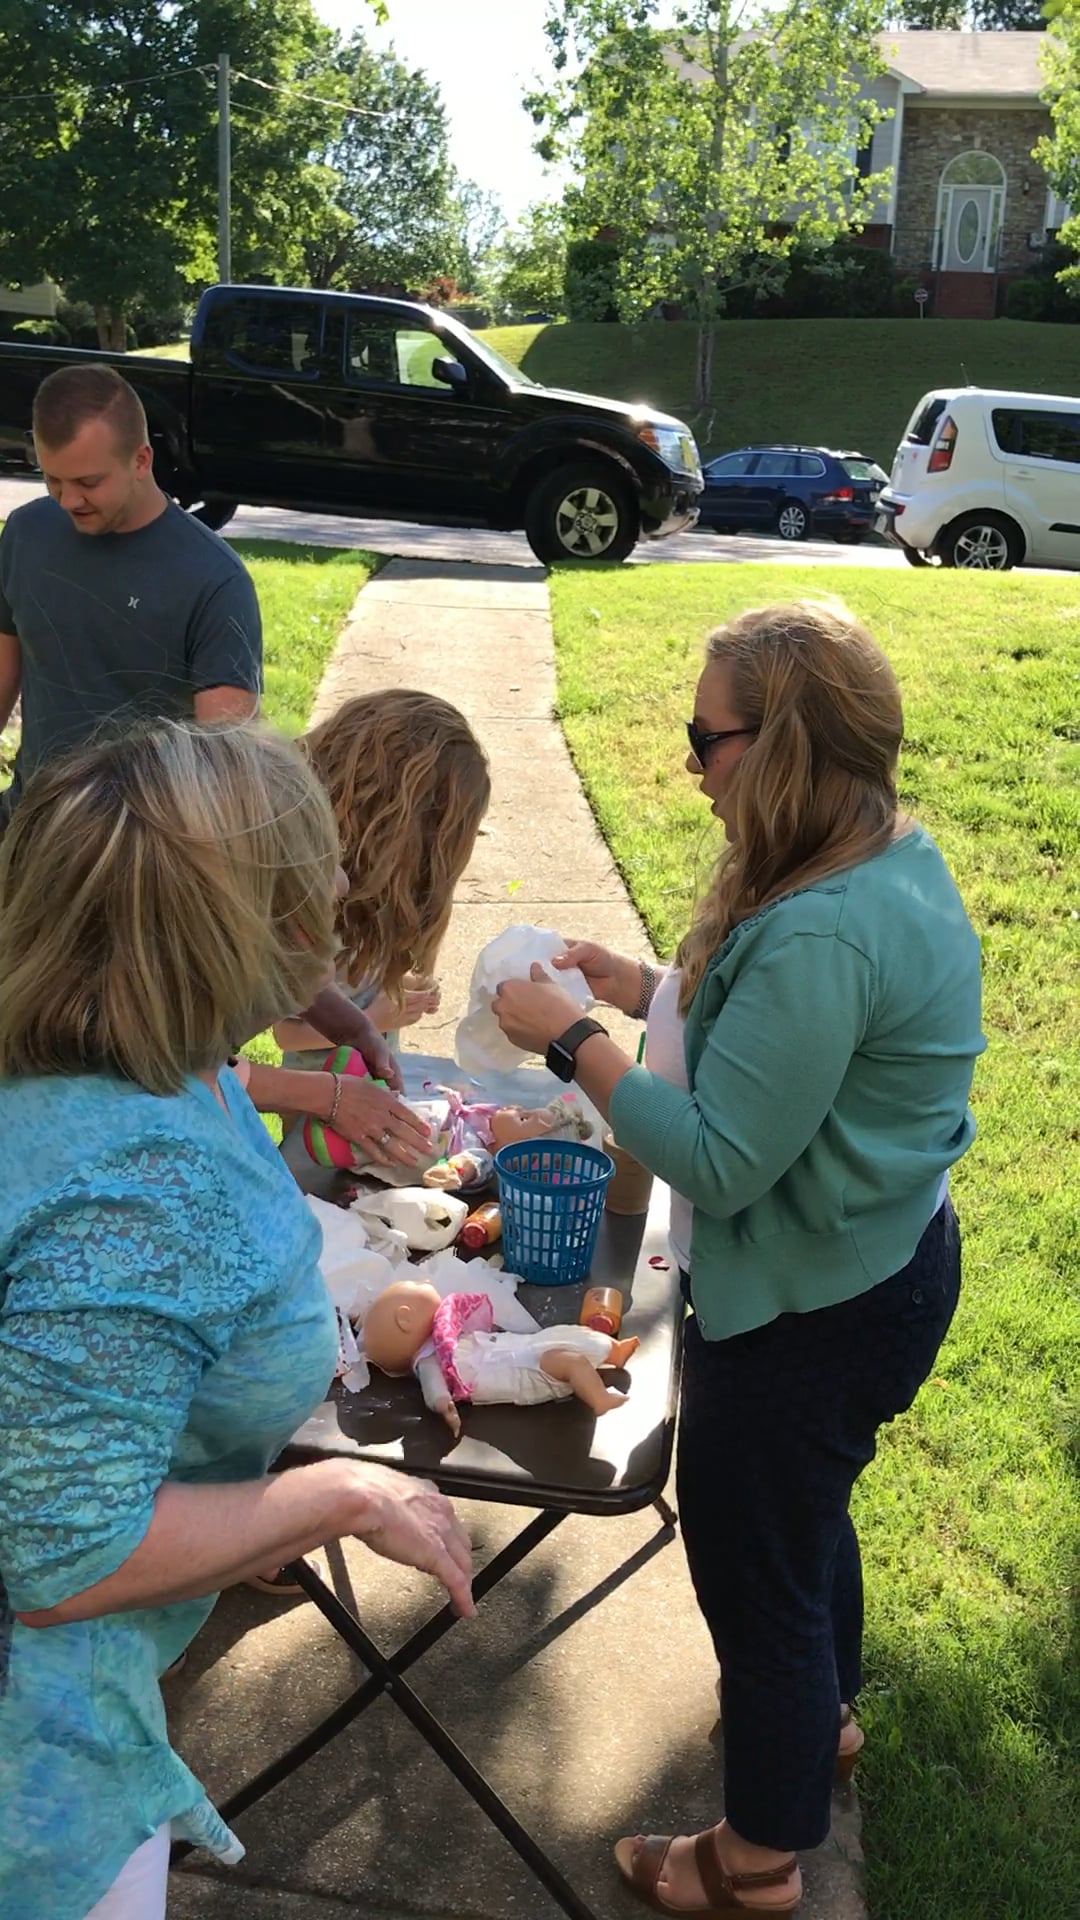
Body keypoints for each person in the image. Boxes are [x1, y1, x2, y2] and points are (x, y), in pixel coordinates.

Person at [491, 600, 984, 1917]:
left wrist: (570, 1044)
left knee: (755, 1571)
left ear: (782, 747)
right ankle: (820, 1722)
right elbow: (775, 1051)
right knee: (804, 1525)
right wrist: (630, 982)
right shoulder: (871, 862)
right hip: (874, 1271)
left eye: (704, 736)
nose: (690, 762)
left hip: (814, 1311)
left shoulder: (823, 928)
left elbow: (719, 1158)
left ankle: (757, 1863)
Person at [0, 720, 475, 1920]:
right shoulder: (137, 1185)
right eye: (311, 868)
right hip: (36, 1760)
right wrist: (339, 1496)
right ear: (230, 930)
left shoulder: (134, 1044)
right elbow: (62, 1559)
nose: (341, 883)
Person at [0, 360, 411, 1149]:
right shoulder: (26, 535)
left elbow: (227, 792)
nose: (67, 501)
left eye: (86, 480)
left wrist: (310, 989)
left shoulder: (211, 581)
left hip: (148, 883)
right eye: (50, 481)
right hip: (34, 855)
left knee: (147, 1082)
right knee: (46, 1082)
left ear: (143, 459)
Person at [242, 689, 491, 1161]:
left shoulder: (272, 846)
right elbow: (183, 1072)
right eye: (327, 867)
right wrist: (327, 1096)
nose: (338, 884)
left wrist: (353, 1025)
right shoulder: (235, 883)